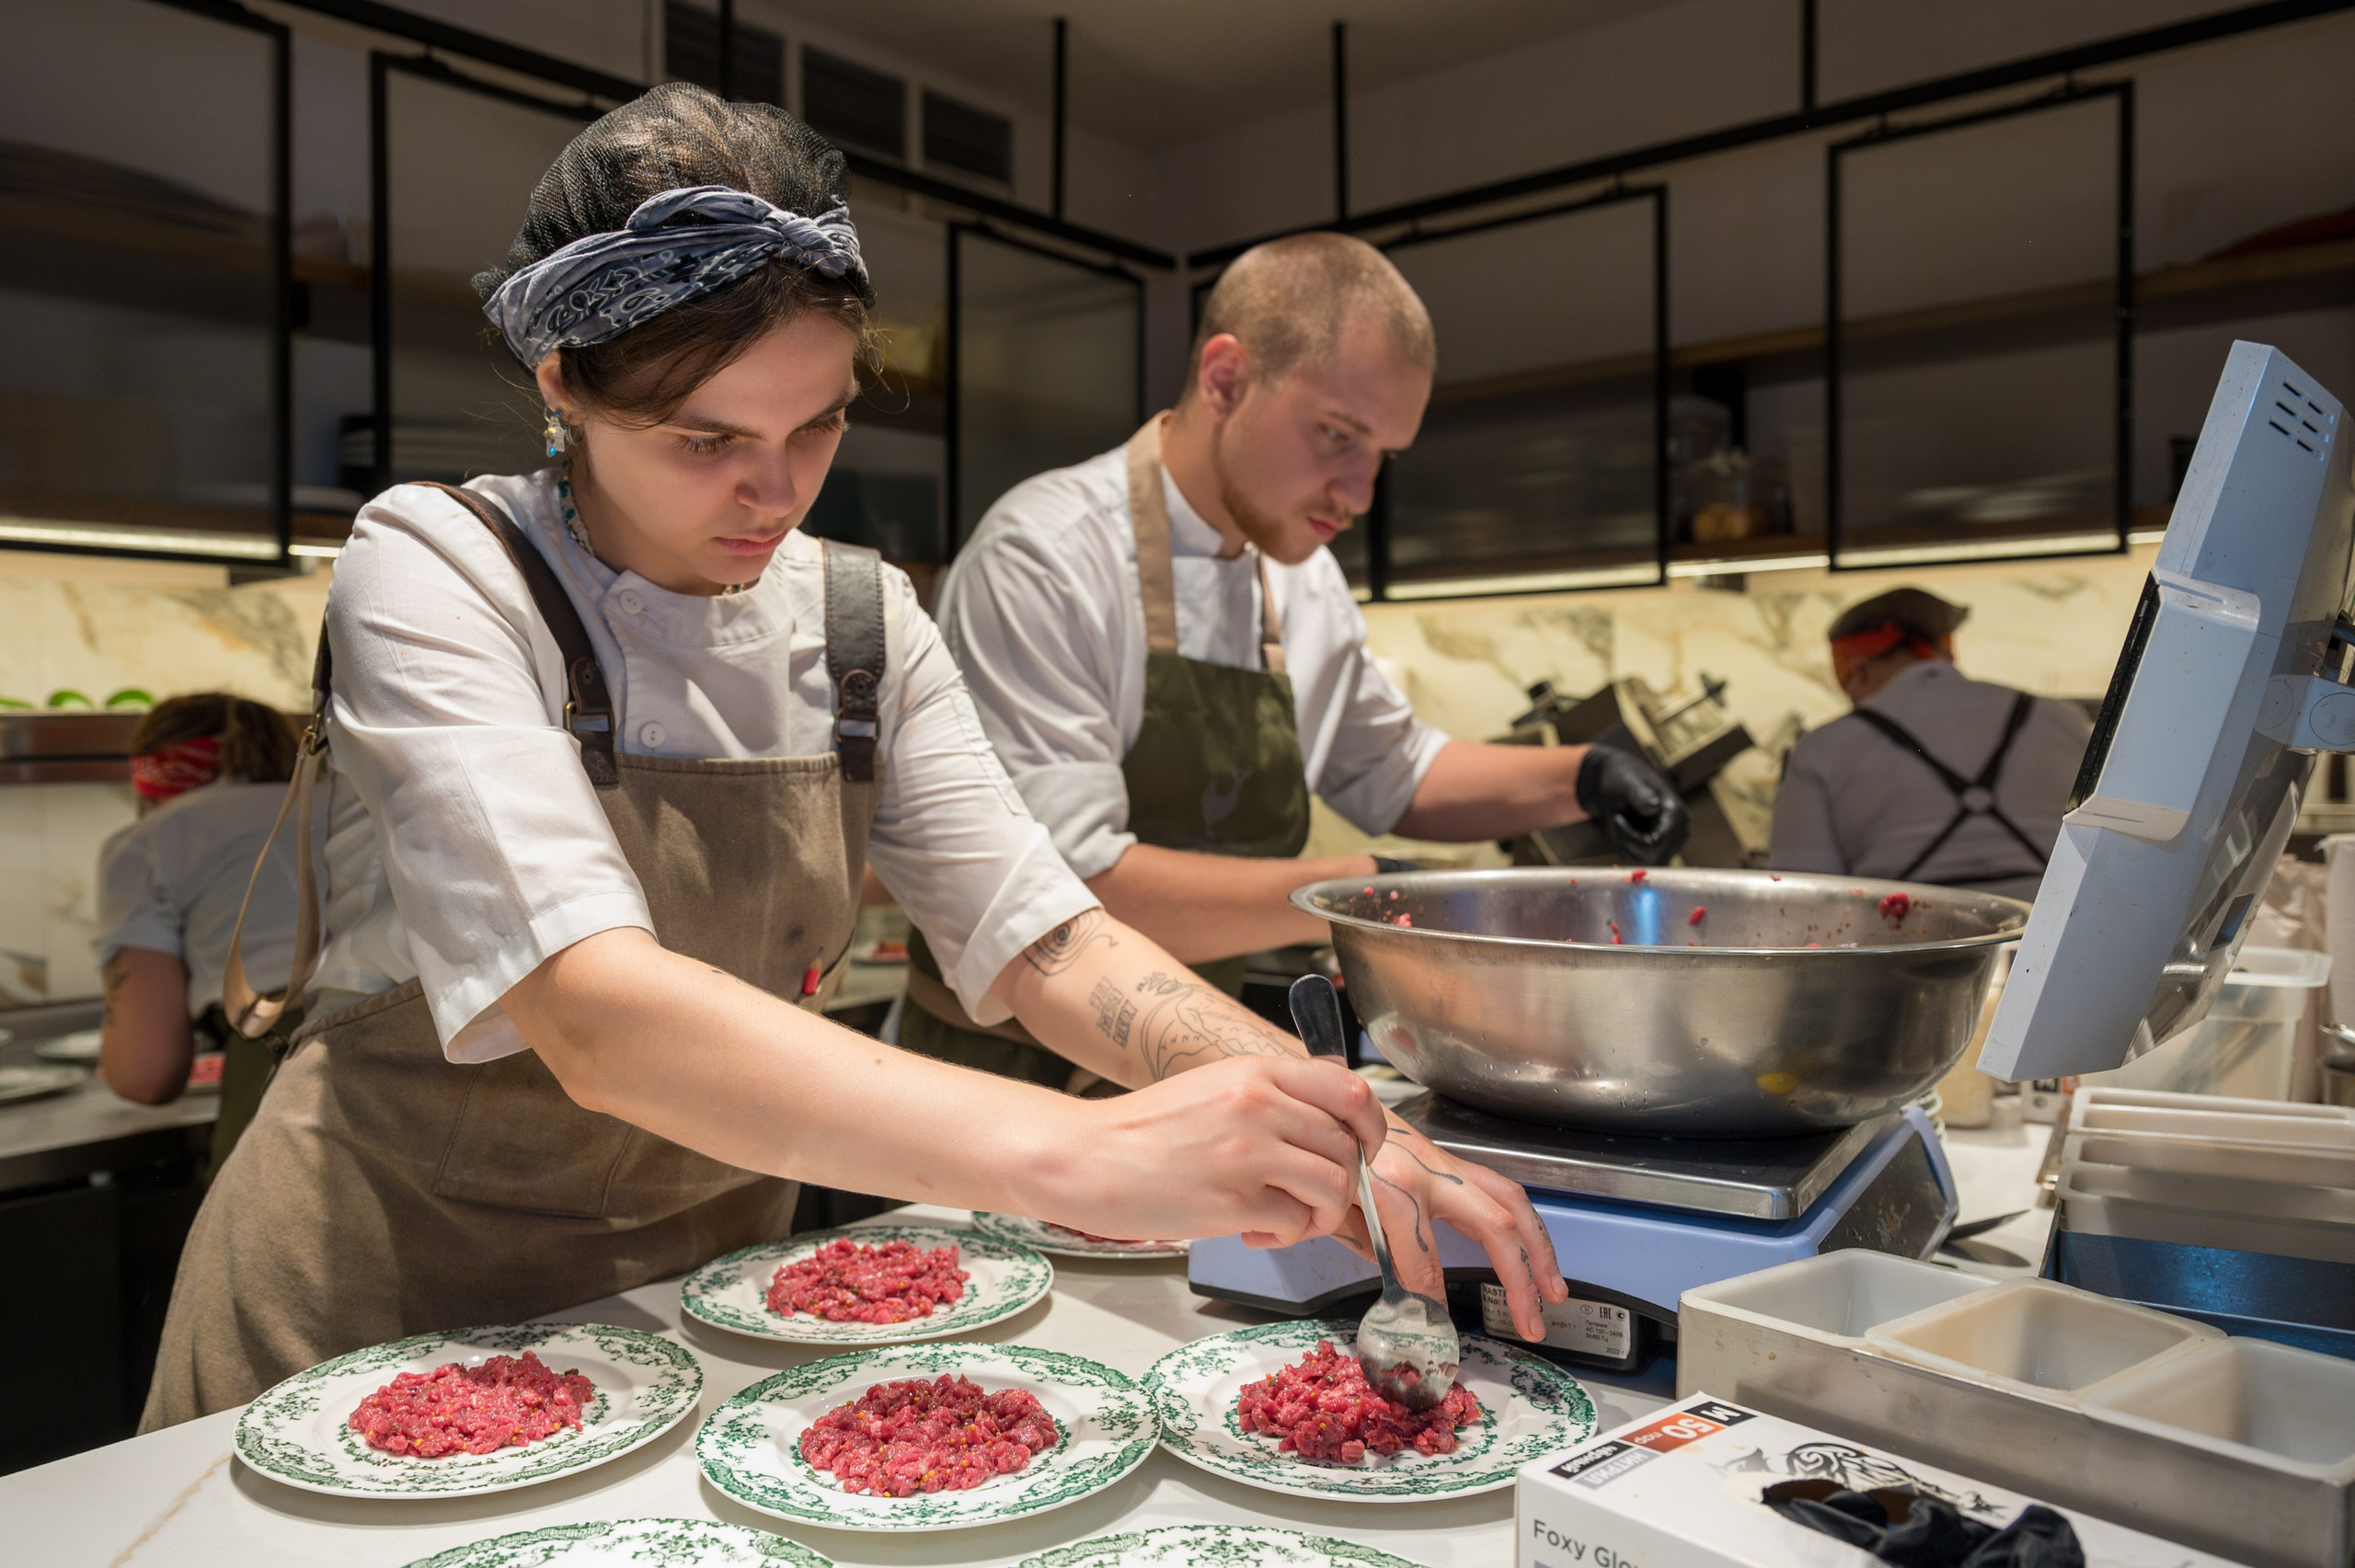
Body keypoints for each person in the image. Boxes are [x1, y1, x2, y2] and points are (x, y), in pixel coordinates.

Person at [142, 86, 1562, 1430]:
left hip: (687, 1333)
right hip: (365, 1322)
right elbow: (597, 1011)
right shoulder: (442, 564)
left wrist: (1336, 1113)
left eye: (816, 422)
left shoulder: (856, 619)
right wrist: (1081, 1157)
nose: (775, 490)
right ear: (562, 381)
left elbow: (1048, 941)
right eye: (706, 438)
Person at [910, 233, 1686, 1088]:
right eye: (1336, 436)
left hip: (1199, 1073)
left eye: (1381, 455)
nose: (1359, 495)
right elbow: (1077, 890)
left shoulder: (1300, 577)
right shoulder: (1046, 558)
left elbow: (1394, 768)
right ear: (1226, 378)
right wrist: (1363, 888)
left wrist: (1581, 775)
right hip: (1014, 1091)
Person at [95, 693, 320, 1177]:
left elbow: (145, 1075)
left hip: (287, 1067)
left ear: (151, 782)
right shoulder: (348, 804)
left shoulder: (149, 842)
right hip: (433, 1050)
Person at [1770, 587, 2093, 900]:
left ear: (1856, 670)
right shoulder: (2060, 719)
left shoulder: (1821, 748)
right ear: (1944, 648)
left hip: (1910, 941)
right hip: (2058, 931)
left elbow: (1804, 895)